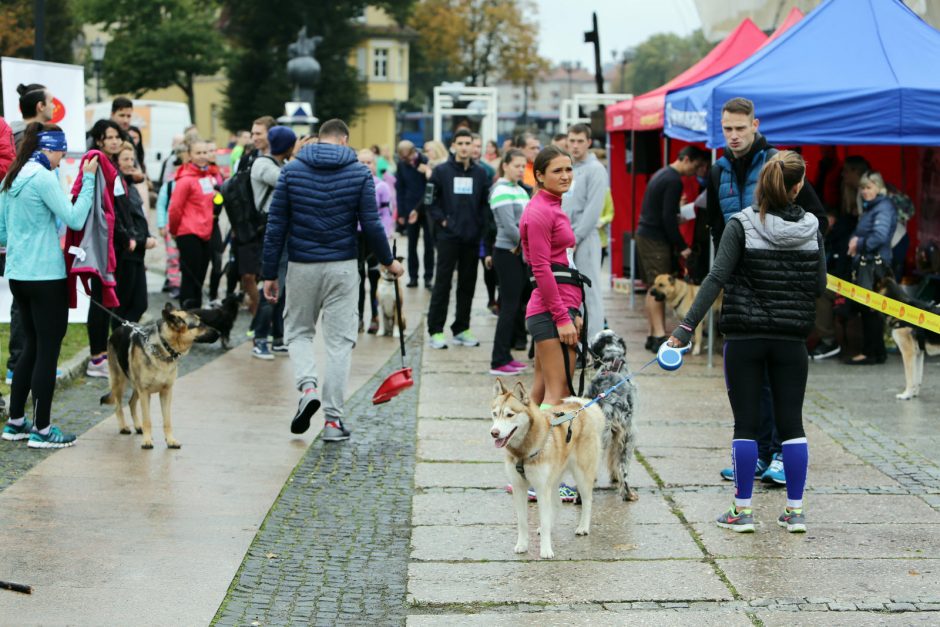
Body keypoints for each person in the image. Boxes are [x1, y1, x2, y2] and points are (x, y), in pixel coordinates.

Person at [667, 151, 824, 534]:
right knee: (793, 425)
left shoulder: (741, 224)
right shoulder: (811, 227)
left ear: (761, 185)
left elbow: (716, 278)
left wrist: (684, 329)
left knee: (745, 426)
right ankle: (796, 511)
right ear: (798, 186)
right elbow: (819, 286)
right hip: (791, 340)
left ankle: (742, 511)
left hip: (744, 338)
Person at [706, 97, 825, 486]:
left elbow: (815, 218)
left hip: (780, 287)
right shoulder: (718, 170)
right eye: (727, 128)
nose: (734, 135)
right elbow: (713, 224)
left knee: (779, 384)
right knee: (747, 384)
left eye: (740, 128)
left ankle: (775, 454)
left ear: (755, 124)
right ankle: (754, 455)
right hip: (741, 288)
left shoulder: (779, 164)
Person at [262, 119, 403, 441]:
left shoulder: (292, 171)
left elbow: (275, 226)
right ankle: (333, 422)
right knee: (340, 343)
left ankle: (307, 386)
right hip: (342, 265)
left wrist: (269, 273)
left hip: (302, 265)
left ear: (319, 139)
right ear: (344, 140)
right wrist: (389, 262)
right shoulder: (359, 173)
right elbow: (371, 224)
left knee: (297, 332)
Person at [0, 123, 99, 448]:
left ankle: (16, 423)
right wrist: (88, 182)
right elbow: (73, 217)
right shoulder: (43, 177)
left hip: (18, 274)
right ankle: (42, 429)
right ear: (49, 148)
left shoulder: (11, 177)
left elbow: (2, 233)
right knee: (47, 351)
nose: (61, 159)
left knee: (30, 345)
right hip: (45, 275)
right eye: (60, 153)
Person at [519, 145, 583, 406]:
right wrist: (562, 318)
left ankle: (527, 447)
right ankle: (548, 448)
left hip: (560, 306)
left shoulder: (552, 206)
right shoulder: (540, 211)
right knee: (559, 398)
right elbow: (541, 268)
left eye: (569, 169)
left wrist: (573, 312)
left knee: (539, 395)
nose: (566, 175)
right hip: (550, 311)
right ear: (540, 175)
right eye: (558, 170)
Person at [636, 145, 710, 351]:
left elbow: (664, 212)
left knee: (653, 286)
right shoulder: (673, 180)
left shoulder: (662, 174)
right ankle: (659, 336)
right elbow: (668, 219)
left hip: (647, 235)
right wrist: (682, 246)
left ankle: (653, 334)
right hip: (655, 239)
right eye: (696, 167)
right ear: (686, 159)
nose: (695, 172)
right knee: (658, 287)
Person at [6, 84, 55, 386]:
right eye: (50, 102)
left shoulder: (17, 135)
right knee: (22, 305)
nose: (53, 107)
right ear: (39, 106)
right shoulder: (25, 139)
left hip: (18, 233)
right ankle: (19, 362)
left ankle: (23, 361)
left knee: (21, 301)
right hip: (23, 233)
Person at [425, 128, 490, 349]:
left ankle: (461, 328)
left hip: (471, 239)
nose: (464, 147)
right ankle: (435, 330)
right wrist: (443, 221)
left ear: (473, 146)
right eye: (460, 143)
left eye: (468, 143)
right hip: (447, 238)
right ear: (453, 145)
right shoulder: (441, 171)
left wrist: (479, 226)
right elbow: (430, 201)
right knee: (442, 284)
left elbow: (484, 204)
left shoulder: (481, 173)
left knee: (467, 285)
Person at [246, 126, 296, 359]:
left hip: (284, 231)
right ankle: (260, 338)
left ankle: (278, 337)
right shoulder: (263, 165)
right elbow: (285, 181)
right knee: (272, 284)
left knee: (283, 286)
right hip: (270, 230)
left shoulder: (281, 165)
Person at [84, 119, 128, 379]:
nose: (113, 141)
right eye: (108, 137)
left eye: (116, 136)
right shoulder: (98, 164)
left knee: (109, 298)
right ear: (99, 140)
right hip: (104, 242)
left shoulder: (114, 165)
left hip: (116, 241)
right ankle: (96, 355)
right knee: (99, 299)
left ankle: (104, 353)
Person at [562, 123, 608, 342]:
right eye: (572, 140)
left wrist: (576, 237)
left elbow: (593, 209)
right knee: (571, 293)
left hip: (584, 238)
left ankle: (594, 342)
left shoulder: (596, 169)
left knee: (590, 292)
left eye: (580, 141)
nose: (575, 145)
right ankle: (578, 342)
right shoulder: (567, 167)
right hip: (566, 238)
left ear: (589, 142)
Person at [845, 171, 896, 365]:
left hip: (875, 265)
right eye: (862, 188)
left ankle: (871, 353)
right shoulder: (873, 206)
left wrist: (858, 243)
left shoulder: (882, 208)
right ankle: (876, 351)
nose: (864, 191)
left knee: (870, 309)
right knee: (869, 308)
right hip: (870, 262)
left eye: (868, 187)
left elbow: (880, 236)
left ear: (878, 187)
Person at [488, 149, 531, 375]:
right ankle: (498, 359)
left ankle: (506, 355)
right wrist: (531, 245)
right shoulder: (501, 190)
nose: (521, 170)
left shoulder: (519, 190)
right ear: (505, 165)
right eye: (517, 165)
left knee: (514, 307)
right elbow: (509, 227)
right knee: (509, 307)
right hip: (508, 253)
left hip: (518, 253)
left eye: (524, 166)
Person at [168, 139, 223, 309]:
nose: (202, 156)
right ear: (190, 156)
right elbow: (175, 209)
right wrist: (175, 231)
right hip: (188, 234)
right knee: (190, 279)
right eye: (198, 153)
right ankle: (185, 315)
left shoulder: (207, 177)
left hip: (205, 233)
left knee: (200, 278)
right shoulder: (185, 180)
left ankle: (196, 315)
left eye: (205, 152)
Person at [112, 141, 156, 325]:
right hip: (127, 251)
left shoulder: (130, 185)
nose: (130, 163)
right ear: (117, 162)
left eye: (132, 159)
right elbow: (119, 219)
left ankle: (125, 337)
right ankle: (120, 340)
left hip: (138, 251)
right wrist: (140, 240)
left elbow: (139, 217)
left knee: (140, 304)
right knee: (123, 304)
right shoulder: (118, 185)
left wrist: (147, 236)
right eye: (125, 159)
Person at [356, 148, 395, 336]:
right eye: (361, 162)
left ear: (375, 164)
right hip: (356, 237)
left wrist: (386, 236)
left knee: (374, 280)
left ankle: (375, 317)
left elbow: (387, 215)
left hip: (374, 237)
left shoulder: (381, 187)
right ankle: (358, 318)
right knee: (357, 280)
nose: (365, 166)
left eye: (368, 162)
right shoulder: (352, 184)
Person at [395, 140, 434, 289]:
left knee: (429, 245)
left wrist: (418, 208)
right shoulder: (401, 165)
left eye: (409, 157)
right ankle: (413, 277)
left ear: (414, 152)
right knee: (411, 245)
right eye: (404, 158)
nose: (408, 161)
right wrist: (401, 212)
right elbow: (400, 189)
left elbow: (430, 188)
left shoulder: (425, 161)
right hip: (409, 209)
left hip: (426, 208)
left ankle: (428, 277)